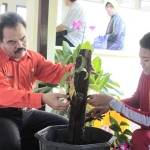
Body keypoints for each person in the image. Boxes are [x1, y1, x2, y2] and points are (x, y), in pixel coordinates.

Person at [0, 12, 73, 150]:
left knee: (64, 127)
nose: (20, 45)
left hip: (24, 113)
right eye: (12, 42)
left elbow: (56, 72)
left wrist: (74, 70)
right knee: (9, 142)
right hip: (2, 115)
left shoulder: (33, 58)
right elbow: (3, 94)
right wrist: (43, 98)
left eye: (23, 39)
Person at [88, 32, 150, 150]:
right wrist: (109, 106)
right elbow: (137, 100)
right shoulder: (146, 74)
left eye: (146, 60)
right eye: (141, 58)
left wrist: (113, 102)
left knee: (140, 137)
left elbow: (148, 121)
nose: (141, 63)